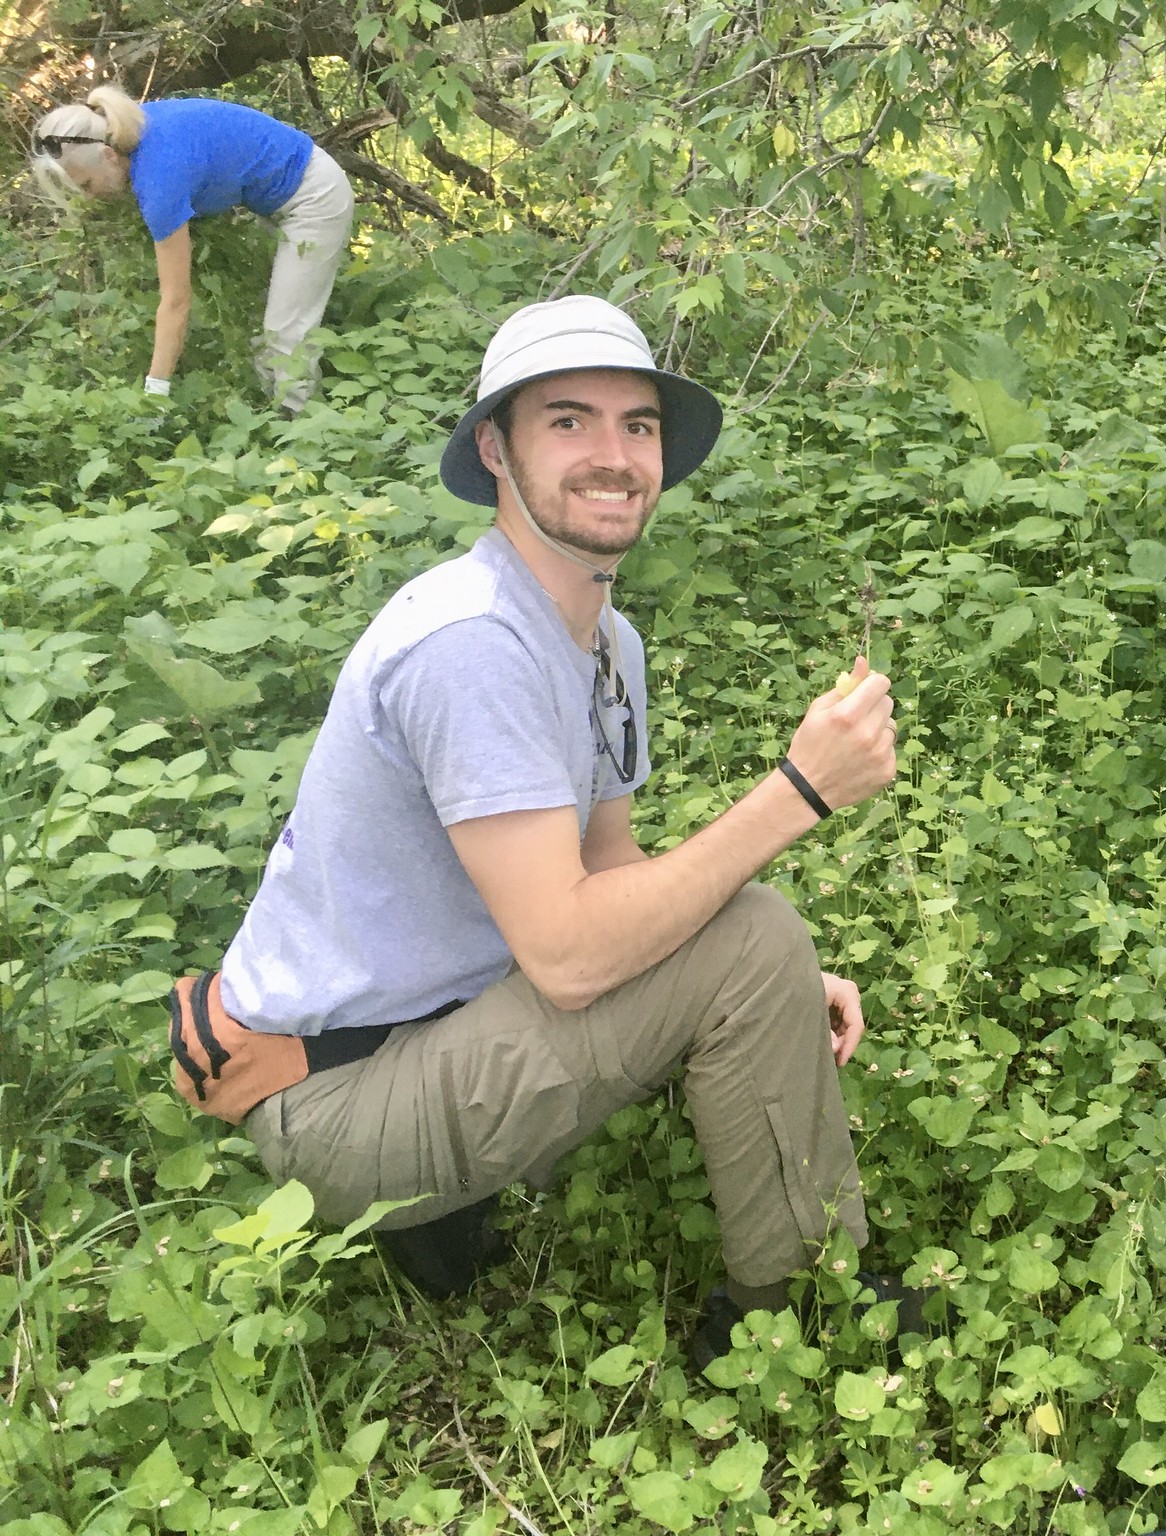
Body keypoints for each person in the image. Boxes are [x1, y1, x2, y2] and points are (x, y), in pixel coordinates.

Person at [166, 295, 899, 1361]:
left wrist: (770, 989)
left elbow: (608, 868)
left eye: (636, 425)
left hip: (418, 1037)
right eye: (568, 421)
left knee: (748, 947)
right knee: (753, 934)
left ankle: (446, 1218)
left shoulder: (606, 642)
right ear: (494, 451)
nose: (613, 455)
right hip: (335, 1097)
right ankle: (786, 1321)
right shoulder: (469, 642)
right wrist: (798, 789)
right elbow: (564, 957)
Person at [30, 86, 355, 412]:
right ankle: (270, 418)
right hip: (275, 199)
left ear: (109, 156)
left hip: (314, 195)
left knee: (285, 335)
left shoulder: (159, 182)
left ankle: (305, 438)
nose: (89, 196)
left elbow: (176, 301)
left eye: (87, 184)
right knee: (263, 327)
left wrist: (155, 393)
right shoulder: (129, 128)